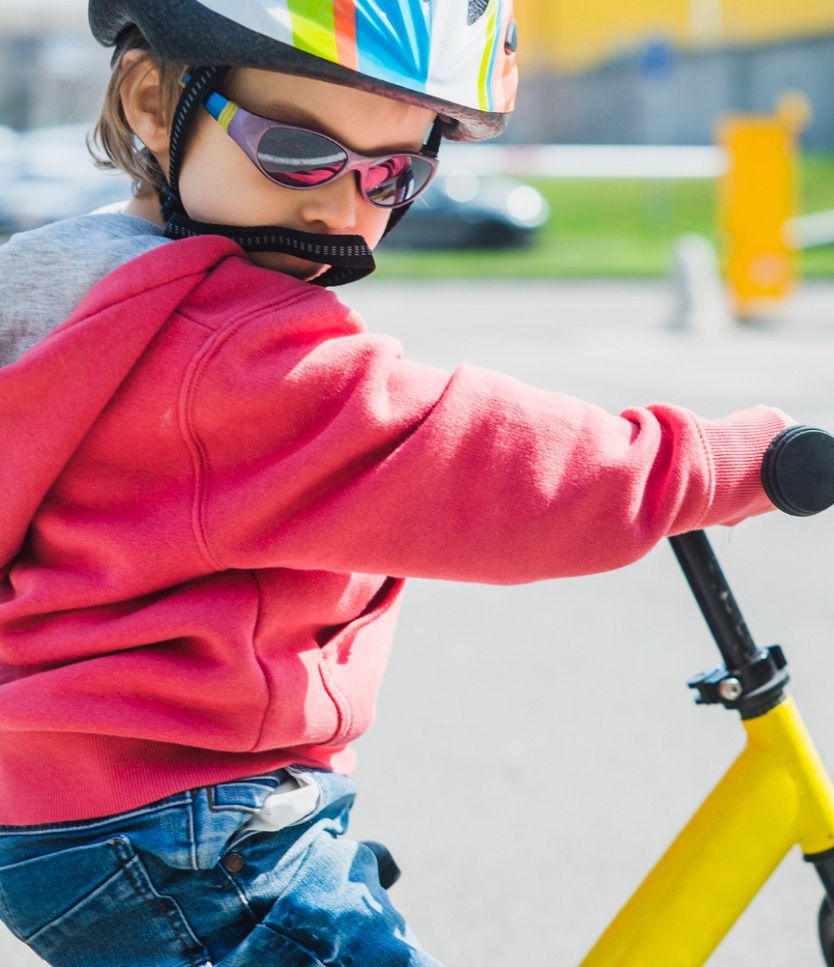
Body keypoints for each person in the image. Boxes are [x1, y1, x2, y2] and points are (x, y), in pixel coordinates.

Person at [0, 2, 793, 964]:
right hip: (187, 832)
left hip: (69, 803)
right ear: (154, 102)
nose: (341, 209)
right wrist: (711, 462)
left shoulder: (56, 282)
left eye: (394, 173)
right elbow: (473, 462)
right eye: (297, 151)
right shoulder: (231, 351)